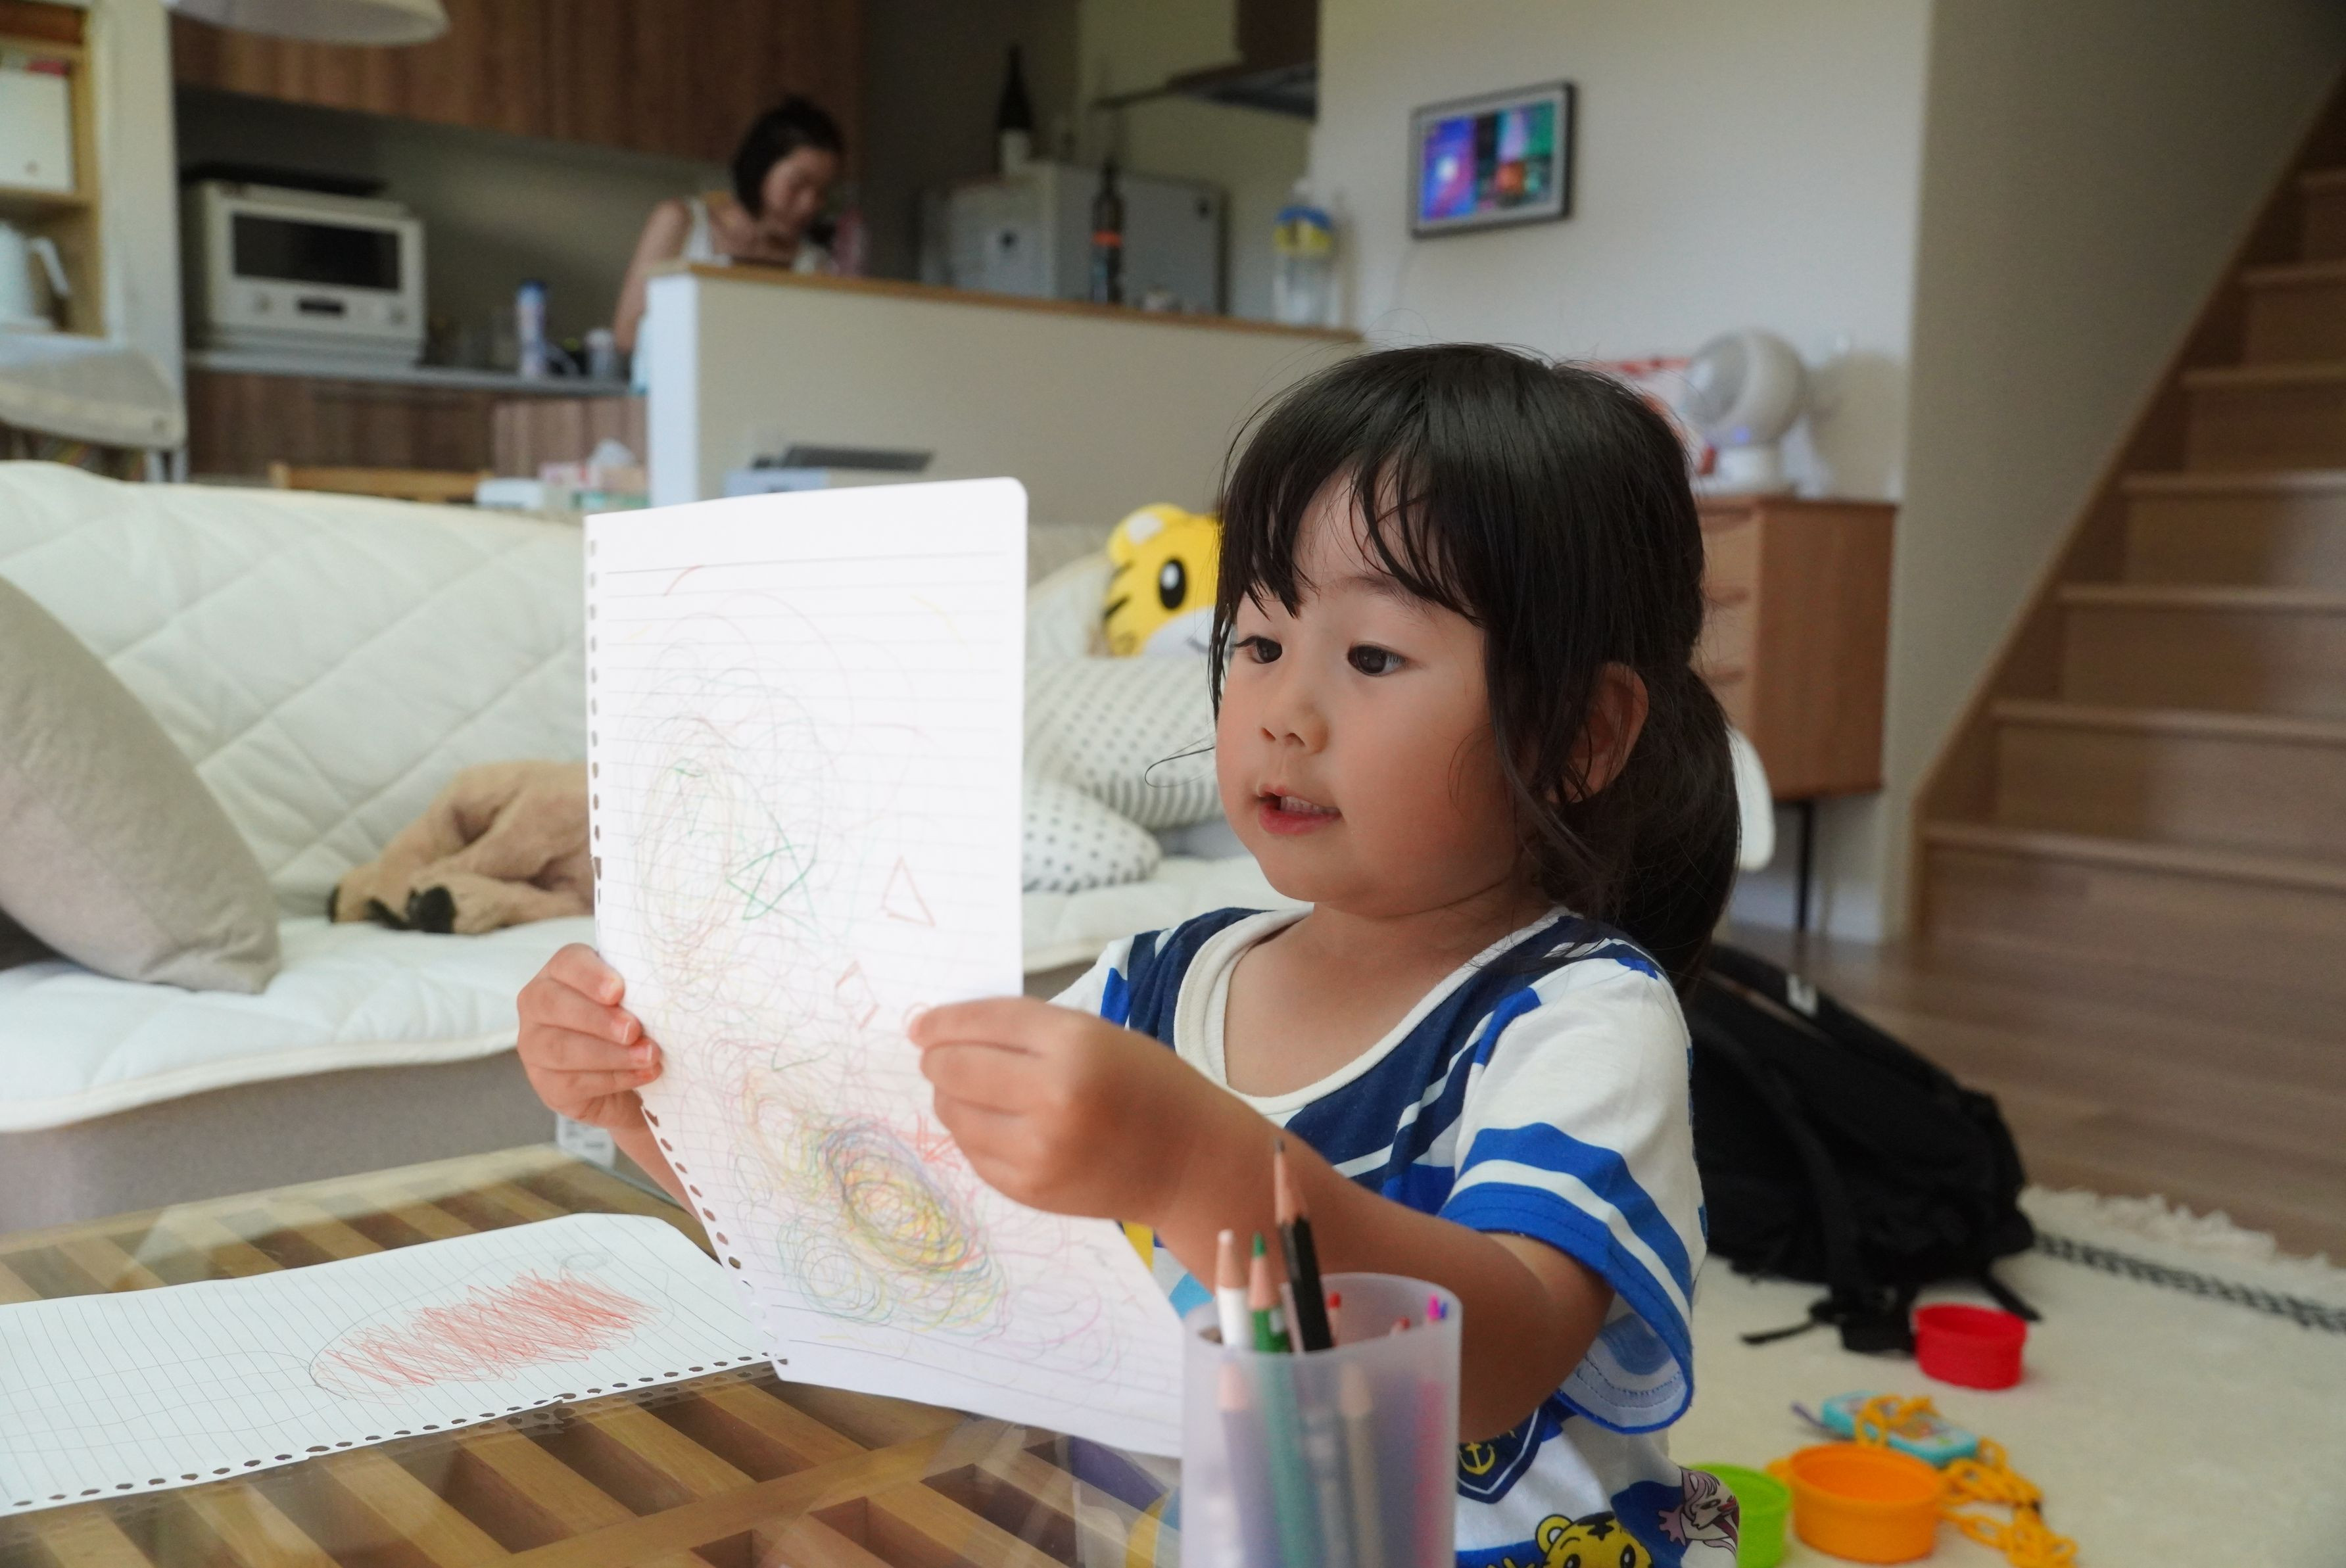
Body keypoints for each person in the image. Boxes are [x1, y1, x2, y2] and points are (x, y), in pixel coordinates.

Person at [515, 344, 1742, 1565]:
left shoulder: (1578, 1017)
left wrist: (1197, 1168)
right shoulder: (1152, 982)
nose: (1283, 711)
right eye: (1256, 642)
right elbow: (928, 1248)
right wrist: (658, 1109)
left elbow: (1498, 1363)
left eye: (1372, 656)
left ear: (1578, 735)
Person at [611, 95, 844, 368]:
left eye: (822, 192)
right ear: (761, 167)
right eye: (797, 185)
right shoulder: (682, 222)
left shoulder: (815, 263)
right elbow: (627, 335)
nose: (809, 204)